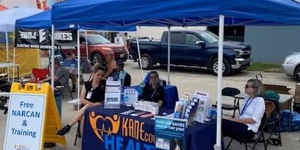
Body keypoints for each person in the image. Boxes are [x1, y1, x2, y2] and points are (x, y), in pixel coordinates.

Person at [56, 64, 107, 136]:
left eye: (102, 75)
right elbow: (82, 100)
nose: (100, 77)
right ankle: (84, 142)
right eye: (98, 75)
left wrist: (94, 105)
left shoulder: (104, 84)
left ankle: (68, 126)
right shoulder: (86, 85)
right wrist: (93, 104)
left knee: (87, 106)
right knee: (83, 118)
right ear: (93, 73)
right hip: (86, 109)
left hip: (98, 108)